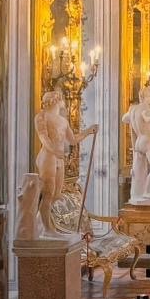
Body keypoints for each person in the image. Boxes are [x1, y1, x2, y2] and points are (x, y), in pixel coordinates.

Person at [33, 90, 95, 236]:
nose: (64, 102)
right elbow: (43, 137)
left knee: (56, 194)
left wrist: (88, 131)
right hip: (48, 157)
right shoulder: (41, 116)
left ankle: (41, 226)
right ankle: (47, 230)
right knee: (48, 194)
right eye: (61, 99)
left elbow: (72, 140)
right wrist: (54, 150)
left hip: (59, 159)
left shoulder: (63, 121)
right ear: (55, 100)